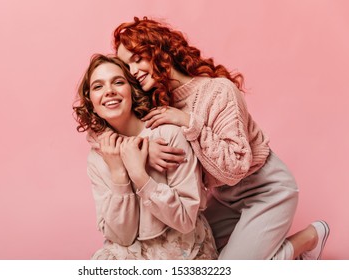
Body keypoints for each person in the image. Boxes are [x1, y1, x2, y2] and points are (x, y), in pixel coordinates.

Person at [109, 16, 330, 260]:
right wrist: (147, 148)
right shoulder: (160, 103)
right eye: (126, 66)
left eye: (137, 58)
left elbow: (233, 169)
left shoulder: (219, 90)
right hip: (224, 198)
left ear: (159, 50)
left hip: (267, 189)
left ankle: (308, 238)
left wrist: (188, 123)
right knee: (193, 254)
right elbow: (110, 125)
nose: (133, 71)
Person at [73, 54, 218, 260]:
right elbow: (122, 237)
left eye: (118, 82)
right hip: (133, 255)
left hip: (185, 252)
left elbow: (185, 220)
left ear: (132, 89)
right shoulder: (99, 156)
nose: (109, 91)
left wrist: (139, 175)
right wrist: (119, 174)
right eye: (98, 87)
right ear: (91, 101)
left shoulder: (168, 135)